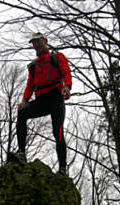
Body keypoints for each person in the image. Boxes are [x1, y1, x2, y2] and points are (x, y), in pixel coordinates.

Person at [15, 32, 72, 175]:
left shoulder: (57, 57)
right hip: (41, 100)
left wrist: (67, 87)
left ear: (45, 41)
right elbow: (30, 85)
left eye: (38, 42)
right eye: (33, 43)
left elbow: (66, 72)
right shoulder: (33, 66)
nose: (36, 45)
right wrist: (24, 101)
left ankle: (63, 168)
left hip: (56, 98)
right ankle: (21, 153)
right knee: (21, 113)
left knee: (57, 131)